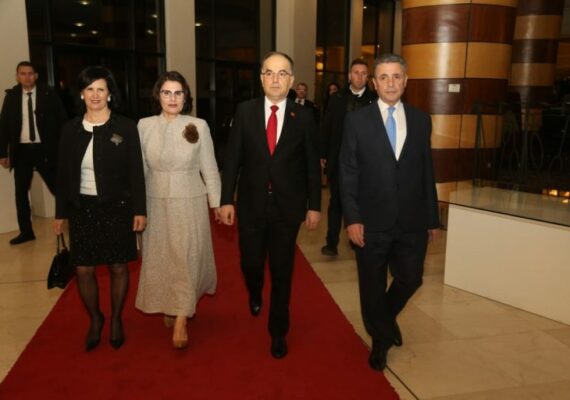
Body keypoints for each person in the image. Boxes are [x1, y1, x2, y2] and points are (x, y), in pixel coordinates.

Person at [339, 53, 440, 371]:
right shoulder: (357, 121)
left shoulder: (422, 120)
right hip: (370, 220)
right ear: (374, 83)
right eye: (383, 77)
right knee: (371, 285)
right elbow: (348, 173)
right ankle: (381, 340)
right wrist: (352, 218)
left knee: (411, 278)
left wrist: (432, 218)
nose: (391, 83)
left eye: (397, 76)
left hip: (412, 219)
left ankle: (382, 318)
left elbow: (426, 171)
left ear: (406, 81)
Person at [219, 51, 321, 359]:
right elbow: (232, 159)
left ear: (291, 80)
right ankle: (254, 290)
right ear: (261, 78)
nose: (275, 79)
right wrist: (226, 199)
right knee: (251, 263)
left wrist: (314, 205)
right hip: (251, 204)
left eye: (282, 73)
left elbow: (311, 165)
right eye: (269, 73)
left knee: (282, 270)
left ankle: (278, 331)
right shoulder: (245, 111)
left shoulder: (304, 116)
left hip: (287, 208)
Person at [54, 66, 147, 352]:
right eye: (89, 89)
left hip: (118, 207)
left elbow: (136, 172)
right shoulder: (69, 130)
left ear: (109, 94)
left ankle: (116, 319)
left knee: (118, 266)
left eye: (101, 89)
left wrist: (140, 210)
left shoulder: (126, 127)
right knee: (83, 269)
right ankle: (96, 318)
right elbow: (63, 174)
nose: (95, 95)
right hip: (82, 208)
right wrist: (60, 213)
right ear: (81, 94)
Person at [135, 71, 221, 349]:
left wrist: (217, 203)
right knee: (162, 258)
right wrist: (137, 207)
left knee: (186, 257)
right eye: (166, 93)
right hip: (155, 201)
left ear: (186, 98)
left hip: (189, 200)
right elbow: (139, 171)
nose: (172, 98)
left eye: (178, 93)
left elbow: (209, 167)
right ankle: (171, 304)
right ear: (158, 96)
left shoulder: (199, 125)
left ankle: (183, 315)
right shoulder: (144, 126)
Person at [0, 61, 68, 244]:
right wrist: (3, 153)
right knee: (21, 193)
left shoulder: (49, 94)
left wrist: (64, 148)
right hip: (22, 151)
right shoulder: (11, 96)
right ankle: (26, 232)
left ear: (36, 76)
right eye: (22, 73)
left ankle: (76, 222)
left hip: (46, 149)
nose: (27, 77)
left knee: (58, 188)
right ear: (17, 76)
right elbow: (3, 126)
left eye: (30, 73)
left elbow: (62, 121)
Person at [320, 59, 376, 256]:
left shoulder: (375, 100)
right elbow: (326, 126)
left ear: (367, 77)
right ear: (350, 75)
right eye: (356, 72)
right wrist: (323, 153)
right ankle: (331, 243)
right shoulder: (336, 99)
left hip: (365, 163)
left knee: (361, 204)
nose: (359, 76)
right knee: (336, 202)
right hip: (339, 160)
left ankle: (357, 240)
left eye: (363, 73)